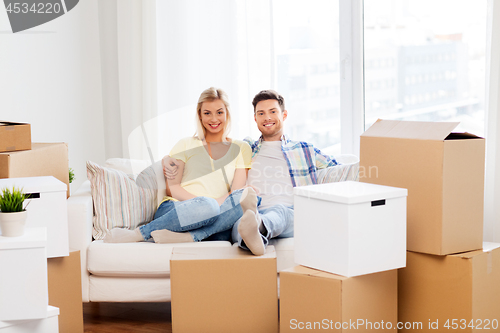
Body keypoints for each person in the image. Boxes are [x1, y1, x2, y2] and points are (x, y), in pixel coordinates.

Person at [164, 90, 338, 255]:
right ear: (255, 118)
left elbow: (340, 170)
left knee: (280, 212)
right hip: (251, 212)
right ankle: (252, 236)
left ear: (284, 115)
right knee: (240, 224)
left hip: (292, 212)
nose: (267, 117)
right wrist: (167, 159)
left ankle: (259, 228)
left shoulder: (305, 149)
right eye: (261, 113)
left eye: (272, 111)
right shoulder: (246, 148)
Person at [104, 87, 257, 244]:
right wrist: (206, 205)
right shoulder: (185, 144)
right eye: (207, 113)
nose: (213, 119)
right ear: (199, 115)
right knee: (209, 209)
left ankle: (190, 237)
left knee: (248, 198)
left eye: (219, 112)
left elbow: (235, 193)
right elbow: (173, 187)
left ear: (227, 114)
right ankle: (139, 234)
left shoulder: (241, 148)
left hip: (216, 214)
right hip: (177, 209)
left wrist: (213, 208)